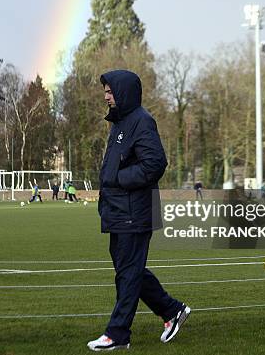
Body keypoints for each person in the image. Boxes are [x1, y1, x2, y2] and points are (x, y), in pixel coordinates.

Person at [87, 70, 190, 351]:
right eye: (105, 91)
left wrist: (119, 180)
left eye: (110, 91)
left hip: (134, 212)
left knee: (129, 273)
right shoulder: (119, 123)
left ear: (123, 91)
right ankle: (172, 311)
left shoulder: (142, 121)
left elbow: (155, 163)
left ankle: (118, 333)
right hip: (117, 211)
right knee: (128, 271)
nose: (106, 95)